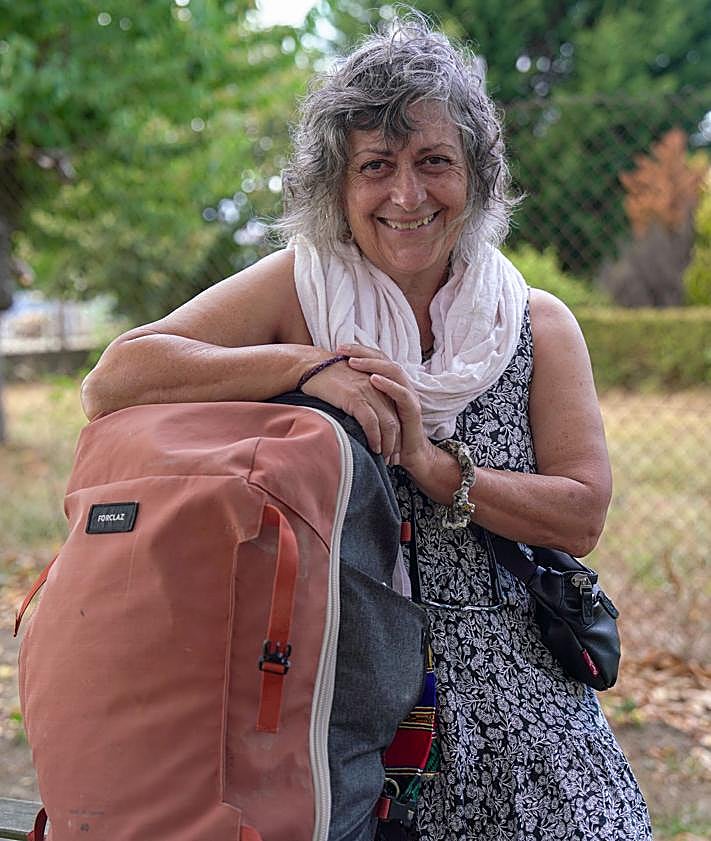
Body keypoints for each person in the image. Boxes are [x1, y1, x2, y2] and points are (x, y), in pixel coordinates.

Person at [81, 11, 653, 840]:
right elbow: (116, 378)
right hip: (332, 710)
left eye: (433, 162)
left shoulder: (537, 323)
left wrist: (433, 463)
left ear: (478, 177)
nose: (406, 194)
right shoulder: (298, 291)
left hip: (525, 707)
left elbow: (580, 512)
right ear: (336, 187)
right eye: (375, 167)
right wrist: (303, 365)